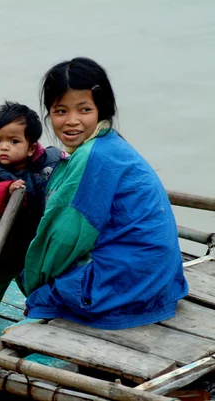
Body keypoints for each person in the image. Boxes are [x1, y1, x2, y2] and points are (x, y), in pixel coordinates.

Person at [21, 57, 188, 329]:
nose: (71, 121)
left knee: (39, 291)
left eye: (84, 109)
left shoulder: (91, 156)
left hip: (131, 287)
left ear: (102, 109)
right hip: (159, 283)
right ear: (48, 113)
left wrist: (34, 282)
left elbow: (63, 239)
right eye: (60, 111)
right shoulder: (111, 143)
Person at [0, 101, 62, 313]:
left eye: (13, 141)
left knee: (35, 282)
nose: (3, 146)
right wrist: (6, 190)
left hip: (35, 242)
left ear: (30, 148)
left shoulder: (50, 162)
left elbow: (68, 168)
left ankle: (40, 311)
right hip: (1, 242)